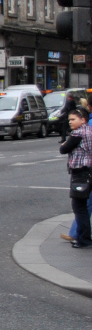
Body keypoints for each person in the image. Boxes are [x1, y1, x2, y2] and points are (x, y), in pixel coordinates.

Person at [59, 106, 92, 249]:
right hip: (88, 171)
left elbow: (63, 149)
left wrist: (65, 143)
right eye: (69, 120)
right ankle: (83, 237)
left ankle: (83, 239)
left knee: (79, 207)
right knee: (83, 206)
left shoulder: (78, 133)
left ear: (83, 119)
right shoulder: (89, 131)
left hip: (81, 173)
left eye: (73, 119)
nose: (70, 122)